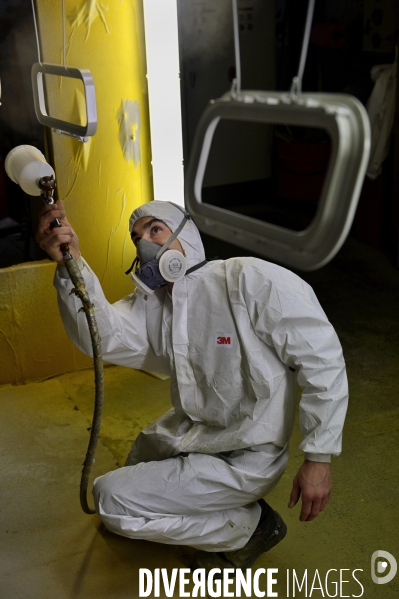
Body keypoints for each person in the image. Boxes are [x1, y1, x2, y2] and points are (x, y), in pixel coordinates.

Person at [36, 199, 348, 572]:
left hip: (246, 455)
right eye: (137, 239)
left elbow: (321, 358)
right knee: (136, 468)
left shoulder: (248, 280)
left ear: (187, 234)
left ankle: (250, 528)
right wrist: (71, 264)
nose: (146, 245)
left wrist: (318, 458)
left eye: (156, 230)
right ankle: (223, 507)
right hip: (191, 434)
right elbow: (99, 335)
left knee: (111, 500)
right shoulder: (156, 305)